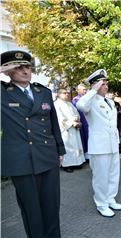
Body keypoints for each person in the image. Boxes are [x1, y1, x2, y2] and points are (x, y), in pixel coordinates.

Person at [1, 50, 65, 237]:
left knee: (51, 206)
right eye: (18, 67)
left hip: (47, 155)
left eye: (27, 66)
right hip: (21, 161)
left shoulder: (42, 92)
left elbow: (53, 123)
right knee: (32, 211)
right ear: (8, 71)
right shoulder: (3, 94)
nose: (25, 71)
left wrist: (60, 149)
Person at [76, 69, 121, 217]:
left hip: (112, 144)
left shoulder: (109, 101)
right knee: (100, 177)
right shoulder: (90, 101)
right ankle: (101, 204)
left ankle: (110, 199)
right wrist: (92, 90)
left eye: (106, 83)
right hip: (99, 146)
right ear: (95, 85)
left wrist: (117, 142)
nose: (106, 86)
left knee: (113, 174)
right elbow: (81, 106)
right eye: (103, 84)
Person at [54, 88, 85, 172]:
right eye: (64, 93)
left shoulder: (70, 104)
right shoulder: (56, 104)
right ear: (58, 94)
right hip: (66, 130)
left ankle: (77, 162)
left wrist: (77, 120)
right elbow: (59, 118)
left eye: (67, 93)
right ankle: (67, 165)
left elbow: (76, 113)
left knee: (76, 145)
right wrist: (72, 122)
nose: (67, 94)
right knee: (68, 147)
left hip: (74, 128)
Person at [72, 83, 89, 162]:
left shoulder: (87, 98)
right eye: (83, 89)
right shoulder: (75, 100)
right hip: (82, 121)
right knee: (83, 138)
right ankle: (85, 155)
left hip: (88, 121)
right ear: (78, 90)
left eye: (85, 89)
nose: (85, 91)